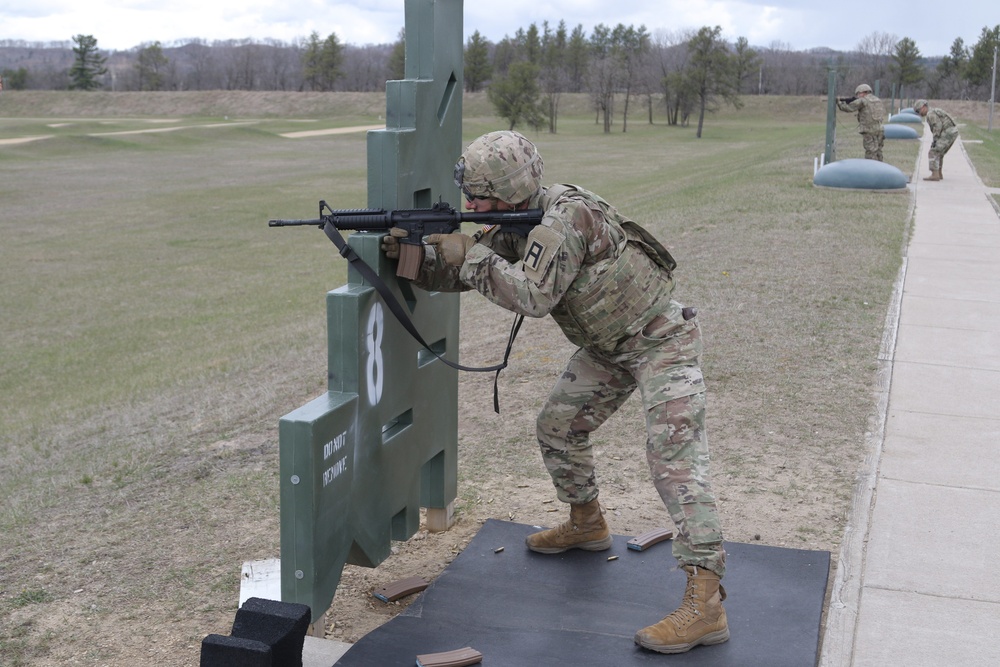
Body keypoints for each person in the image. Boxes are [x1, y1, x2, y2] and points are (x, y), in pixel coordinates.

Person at [381, 130, 728, 655]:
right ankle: (587, 523)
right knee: (559, 428)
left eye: (477, 195)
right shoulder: (518, 219)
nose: (469, 205)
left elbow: (530, 295)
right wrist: (416, 257)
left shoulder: (564, 219)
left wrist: (469, 253)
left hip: (660, 341)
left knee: (674, 462)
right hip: (609, 347)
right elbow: (473, 273)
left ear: (508, 190)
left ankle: (706, 605)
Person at [913, 99, 959, 182]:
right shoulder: (932, 112)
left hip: (948, 132)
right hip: (952, 132)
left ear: (923, 107)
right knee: (939, 152)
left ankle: (935, 174)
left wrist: (935, 139)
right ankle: (939, 173)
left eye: (918, 110)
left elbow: (938, 126)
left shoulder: (930, 114)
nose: (919, 113)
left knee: (933, 151)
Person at [837, 83, 885, 161]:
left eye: (858, 94)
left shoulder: (863, 101)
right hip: (880, 129)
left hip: (869, 130)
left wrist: (839, 103)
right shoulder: (877, 100)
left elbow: (849, 108)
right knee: (878, 152)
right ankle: (880, 169)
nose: (858, 96)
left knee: (870, 152)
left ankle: (871, 170)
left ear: (863, 92)